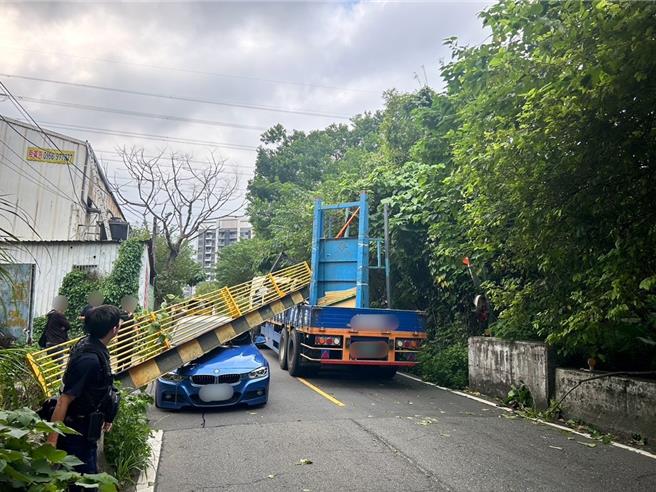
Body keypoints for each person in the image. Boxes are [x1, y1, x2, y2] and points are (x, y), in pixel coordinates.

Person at [47, 305, 121, 486]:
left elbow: (96, 388)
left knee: (82, 482)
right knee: (86, 483)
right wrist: (51, 442)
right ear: (114, 330)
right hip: (77, 434)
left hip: (85, 430)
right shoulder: (90, 359)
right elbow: (64, 399)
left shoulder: (93, 346)